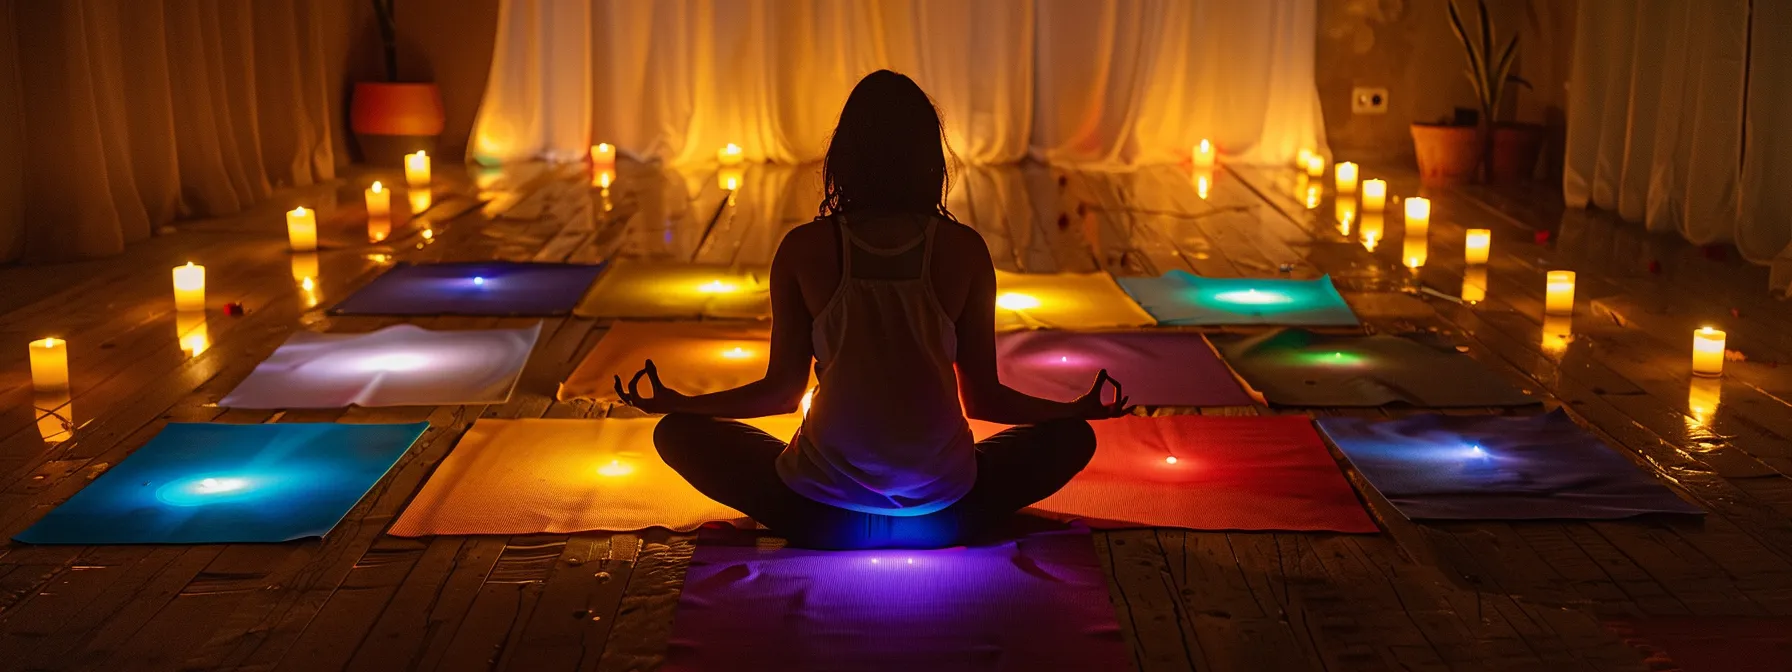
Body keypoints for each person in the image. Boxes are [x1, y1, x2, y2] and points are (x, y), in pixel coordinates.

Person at [615, 70, 1130, 549]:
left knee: (678, 432)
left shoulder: (803, 249)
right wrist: (1073, 411)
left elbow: (780, 392)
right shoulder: (964, 250)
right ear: (929, 159)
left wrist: (680, 403)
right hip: (946, 515)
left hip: (818, 517)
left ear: (844, 157)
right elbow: (985, 400)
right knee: (1072, 439)